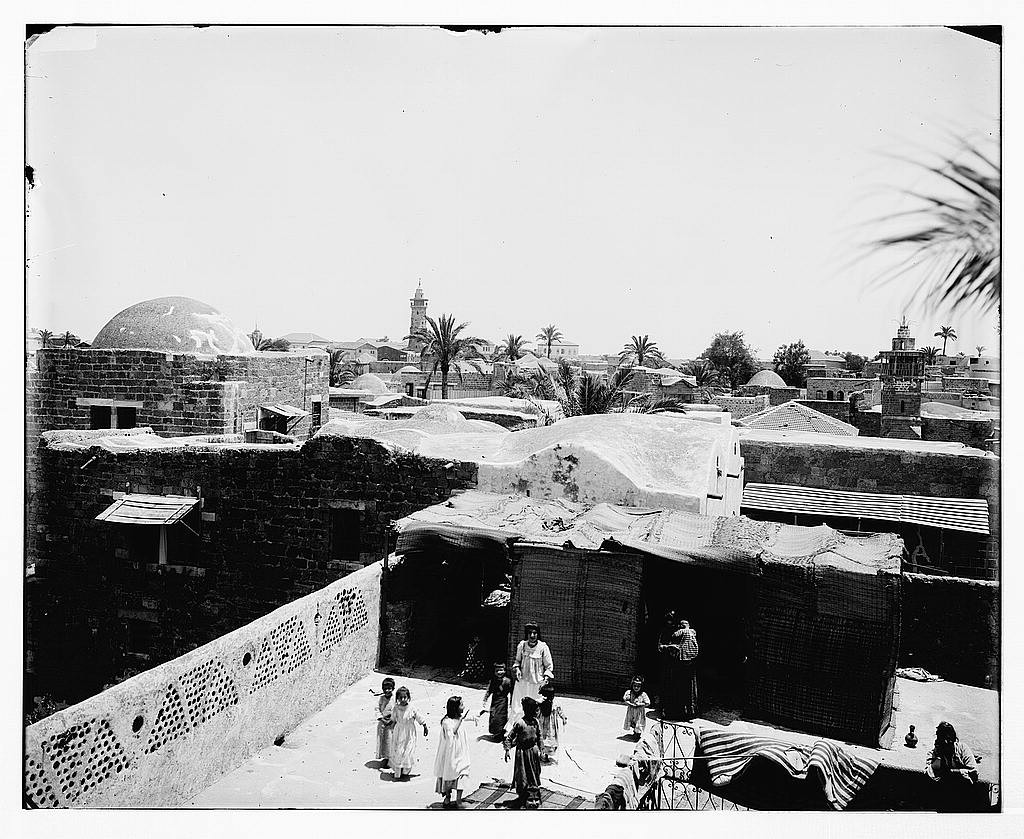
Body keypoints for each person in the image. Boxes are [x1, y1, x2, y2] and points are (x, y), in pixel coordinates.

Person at [507, 623, 554, 731]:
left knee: (535, 707)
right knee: (518, 706)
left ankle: (534, 731)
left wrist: (545, 680)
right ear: (526, 634)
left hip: (537, 683)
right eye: (530, 633)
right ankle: (515, 731)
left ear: (538, 634)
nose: (532, 635)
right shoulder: (522, 645)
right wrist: (517, 669)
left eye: (534, 633)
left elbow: (549, 666)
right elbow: (517, 661)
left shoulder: (543, 647)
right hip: (522, 682)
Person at [927, 721, 981, 812]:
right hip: (945, 794)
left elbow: (974, 771)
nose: (946, 742)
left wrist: (952, 772)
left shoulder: (962, 748)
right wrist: (939, 759)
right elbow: (930, 773)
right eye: (943, 739)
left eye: (949, 739)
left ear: (954, 739)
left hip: (963, 792)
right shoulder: (935, 753)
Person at [501, 696, 543, 809]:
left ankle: (533, 795)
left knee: (534, 774)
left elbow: (539, 737)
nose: (537, 712)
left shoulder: (536, 722)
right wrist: (507, 750)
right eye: (535, 710)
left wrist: (541, 750)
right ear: (529, 710)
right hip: (522, 753)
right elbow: (509, 737)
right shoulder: (520, 723)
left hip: (533, 752)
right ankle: (523, 797)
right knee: (522, 775)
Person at [434, 696, 474, 809]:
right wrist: (460, 720)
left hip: (461, 753)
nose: (463, 706)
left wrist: (479, 714)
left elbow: (468, 718)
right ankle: (447, 797)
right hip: (451, 755)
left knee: (463, 772)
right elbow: (451, 734)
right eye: (461, 705)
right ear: (455, 708)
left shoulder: (459, 718)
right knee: (449, 774)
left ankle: (459, 800)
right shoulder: (446, 722)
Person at [658, 615, 699, 721]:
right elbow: (661, 647)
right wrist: (668, 647)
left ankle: (681, 713)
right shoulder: (691, 633)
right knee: (681, 689)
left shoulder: (682, 633)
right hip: (680, 665)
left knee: (681, 689)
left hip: (681, 665)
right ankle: (682, 713)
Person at [389, 686, 429, 780]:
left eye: (405, 697)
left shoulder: (412, 708)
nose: (403, 700)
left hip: (410, 733)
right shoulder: (396, 708)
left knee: (408, 751)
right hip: (399, 732)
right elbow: (393, 719)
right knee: (399, 751)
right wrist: (390, 727)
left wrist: (424, 726)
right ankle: (397, 773)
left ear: (408, 697)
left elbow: (418, 717)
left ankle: (406, 771)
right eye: (400, 698)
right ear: (397, 698)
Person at [537, 684, 568, 764]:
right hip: (543, 725)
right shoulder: (540, 703)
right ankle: (543, 754)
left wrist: (563, 717)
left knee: (550, 739)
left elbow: (560, 711)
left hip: (551, 726)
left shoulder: (555, 704)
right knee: (543, 739)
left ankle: (545, 754)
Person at [481, 662, 513, 740]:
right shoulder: (493, 681)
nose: (499, 672)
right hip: (495, 701)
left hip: (503, 701)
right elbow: (489, 690)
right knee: (494, 716)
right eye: (497, 670)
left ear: (504, 671)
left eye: (501, 670)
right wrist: (485, 699)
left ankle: (501, 734)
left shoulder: (508, 681)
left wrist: (512, 701)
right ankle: (495, 733)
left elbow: (511, 692)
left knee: (501, 717)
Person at [375, 677, 397, 768]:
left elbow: (397, 710)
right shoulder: (381, 699)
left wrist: (392, 719)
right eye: (385, 689)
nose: (387, 690)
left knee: (391, 740)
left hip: (391, 723)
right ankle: (385, 757)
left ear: (393, 689)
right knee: (383, 741)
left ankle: (391, 758)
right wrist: (381, 718)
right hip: (383, 723)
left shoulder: (395, 699)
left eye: (389, 688)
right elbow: (377, 709)